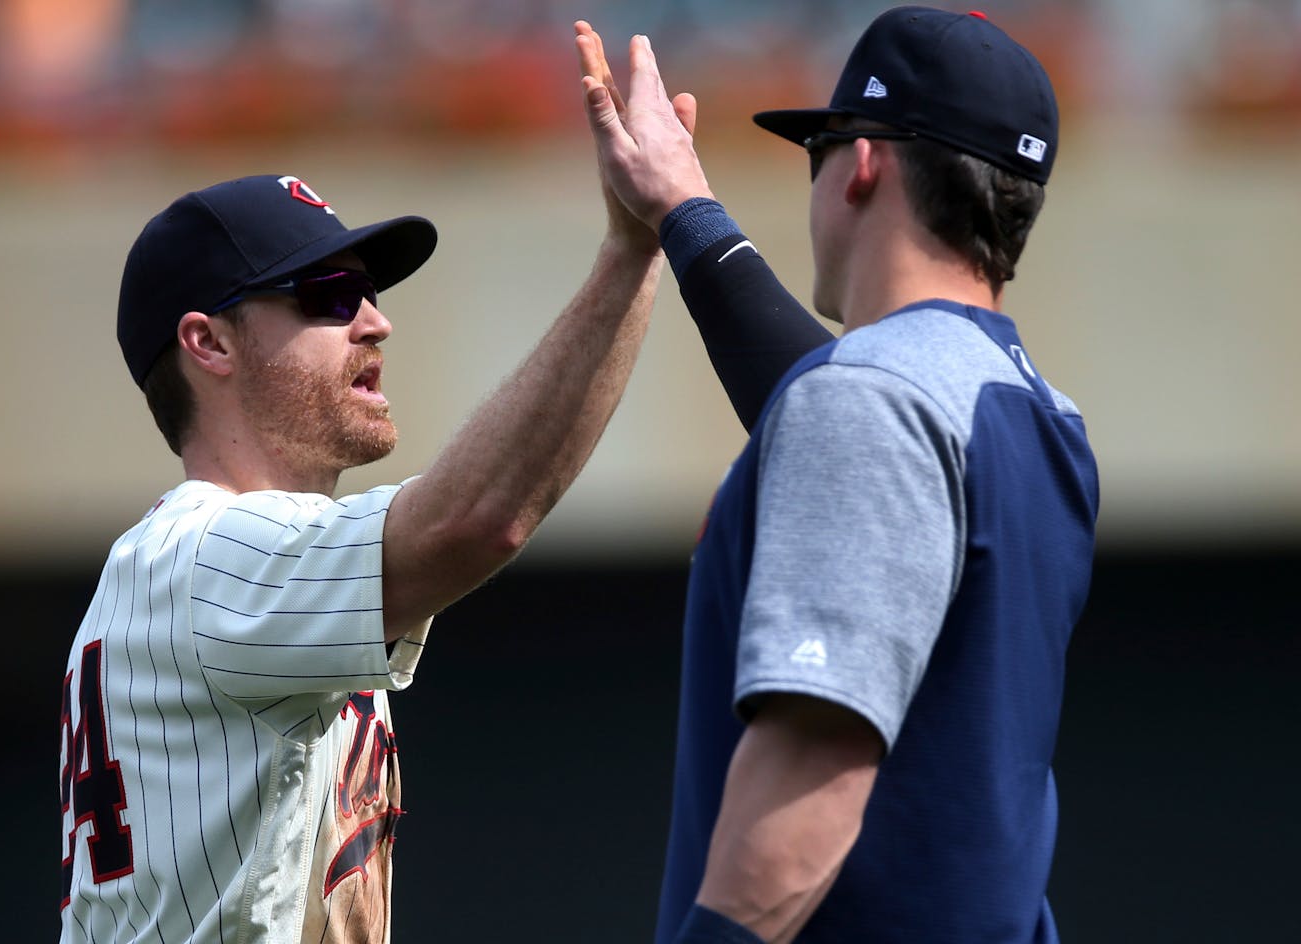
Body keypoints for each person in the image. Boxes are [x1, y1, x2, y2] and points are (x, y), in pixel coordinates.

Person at [577, 8, 1098, 943]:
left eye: (817, 146)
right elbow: (829, 404)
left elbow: (809, 783)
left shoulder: (868, 403)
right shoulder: (1031, 409)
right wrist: (682, 211)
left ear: (862, 163)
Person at [58, 165, 664, 941]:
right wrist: (632, 249)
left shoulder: (201, 564)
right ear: (208, 343)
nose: (375, 322)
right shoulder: (210, 556)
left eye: (369, 293)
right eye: (327, 297)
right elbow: (476, 521)